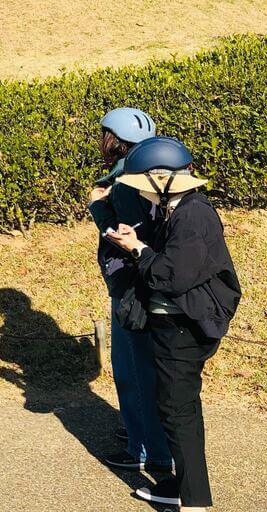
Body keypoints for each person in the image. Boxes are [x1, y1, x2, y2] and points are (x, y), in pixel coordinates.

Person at [107, 136, 241, 512]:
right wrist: (139, 242)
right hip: (176, 324)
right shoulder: (177, 209)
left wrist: (137, 249)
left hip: (185, 328)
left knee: (178, 410)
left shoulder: (193, 213)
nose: (140, 196)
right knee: (176, 408)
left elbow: (171, 275)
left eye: (141, 186)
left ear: (162, 180)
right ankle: (184, 486)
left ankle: (194, 500)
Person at [86, 108, 173, 474]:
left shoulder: (126, 184)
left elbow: (124, 237)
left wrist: (98, 208)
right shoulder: (157, 174)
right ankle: (145, 434)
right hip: (155, 280)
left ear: (115, 140)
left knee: (132, 370)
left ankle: (147, 450)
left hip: (131, 286)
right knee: (148, 367)